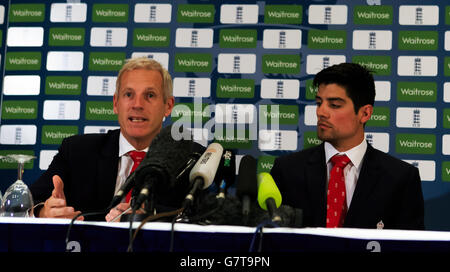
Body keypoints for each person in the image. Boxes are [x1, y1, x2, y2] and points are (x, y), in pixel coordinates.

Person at [270, 63, 425, 230]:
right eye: (319, 103)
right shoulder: (287, 170)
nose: (321, 112)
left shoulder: (400, 178)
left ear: (365, 113)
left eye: (334, 105)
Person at [30, 57, 183, 221]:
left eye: (150, 95)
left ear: (168, 106)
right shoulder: (77, 151)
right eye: (129, 94)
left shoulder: (190, 159)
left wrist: (152, 218)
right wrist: (42, 212)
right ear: (116, 103)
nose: (137, 104)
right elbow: (28, 203)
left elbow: (206, 216)